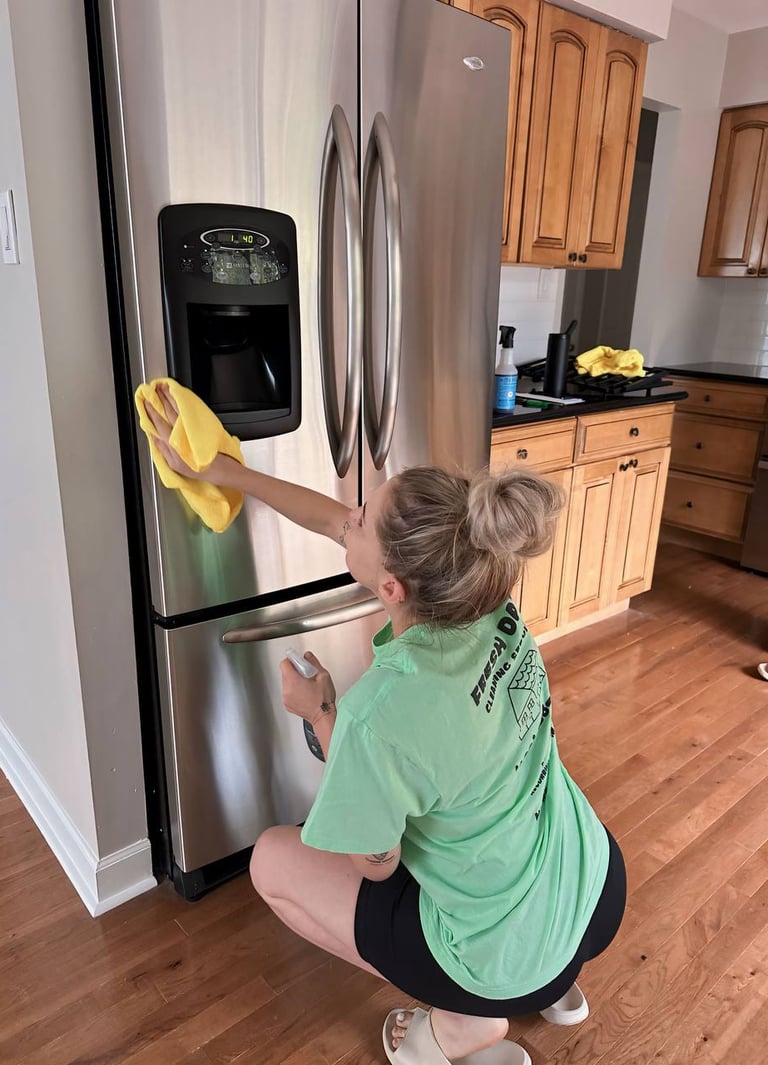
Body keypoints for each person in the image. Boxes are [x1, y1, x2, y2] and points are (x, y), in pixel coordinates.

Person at [143, 384, 627, 1065]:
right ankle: (557, 978)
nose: (350, 518)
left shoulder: (383, 708)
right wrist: (226, 472)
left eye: (363, 518)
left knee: (271, 861)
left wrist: (322, 715)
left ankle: (463, 1019)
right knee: (483, 813)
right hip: (594, 883)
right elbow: (337, 521)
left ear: (392, 588)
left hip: (503, 955)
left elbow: (378, 865)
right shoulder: (490, 602)